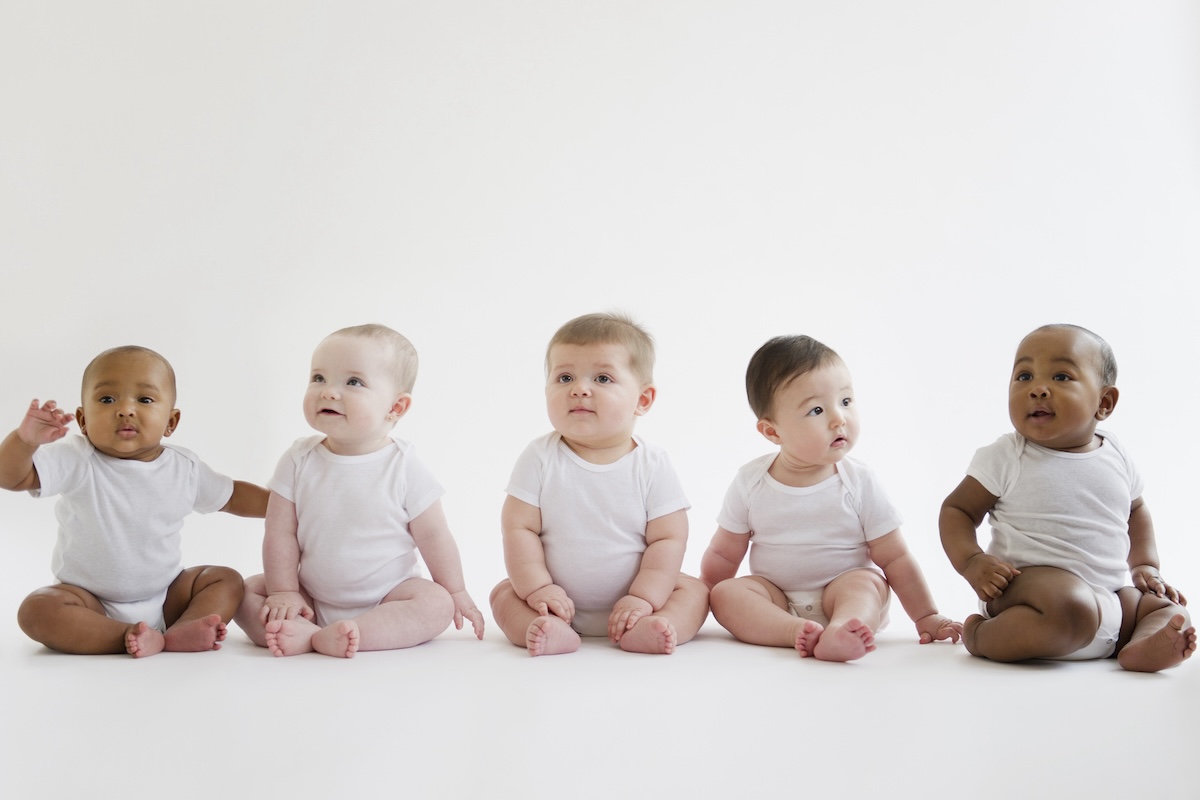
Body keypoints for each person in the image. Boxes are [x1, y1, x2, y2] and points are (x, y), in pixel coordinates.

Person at [940, 324, 1195, 672]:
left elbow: (1136, 510)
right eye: (1024, 376)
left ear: (1103, 403)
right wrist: (971, 561)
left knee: (1168, 608)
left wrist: (1146, 566)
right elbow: (957, 510)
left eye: (1061, 377)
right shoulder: (1007, 455)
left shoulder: (1116, 454)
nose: (1038, 389)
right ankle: (981, 635)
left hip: (1108, 601)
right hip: (1028, 597)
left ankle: (1140, 646)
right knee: (1071, 604)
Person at [701, 335, 961, 662]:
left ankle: (843, 630)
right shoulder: (750, 482)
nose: (839, 418)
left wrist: (926, 616)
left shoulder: (859, 482)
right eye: (817, 410)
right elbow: (724, 553)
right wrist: (704, 593)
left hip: (842, 593)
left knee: (866, 583)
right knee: (727, 594)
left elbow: (895, 558)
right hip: (775, 599)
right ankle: (794, 632)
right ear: (773, 432)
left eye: (846, 401)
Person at [0, 345, 268, 657]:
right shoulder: (77, 459)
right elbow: (12, 478)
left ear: (171, 421)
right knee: (37, 610)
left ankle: (186, 628)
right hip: (89, 602)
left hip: (167, 596)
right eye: (107, 399)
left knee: (225, 579)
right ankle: (124, 635)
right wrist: (25, 441)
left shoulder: (184, 468)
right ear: (83, 421)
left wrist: (287, 505)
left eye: (144, 399)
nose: (125, 409)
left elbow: (232, 496)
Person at [235, 324, 484, 658]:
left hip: (388, 596)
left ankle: (356, 633)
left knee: (435, 603)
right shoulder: (298, 459)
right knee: (243, 591)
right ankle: (309, 631)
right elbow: (279, 532)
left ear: (395, 408)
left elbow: (435, 535)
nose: (328, 392)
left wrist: (456, 590)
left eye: (353, 382)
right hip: (309, 595)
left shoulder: (403, 465)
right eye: (318, 378)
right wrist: (284, 592)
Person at [489, 312, 708, 656]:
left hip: (638, 603)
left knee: (694, 592)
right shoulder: (540, 457)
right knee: (504, 594)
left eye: (603, 378)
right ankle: (548, 630)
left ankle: (652, 629)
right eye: (564, 377)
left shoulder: (651, 464)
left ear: (643, 400)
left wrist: (644, 597)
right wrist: (537, 589)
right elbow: (518, 528)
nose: (579, 388)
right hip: (555, 602)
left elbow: (669, 537)